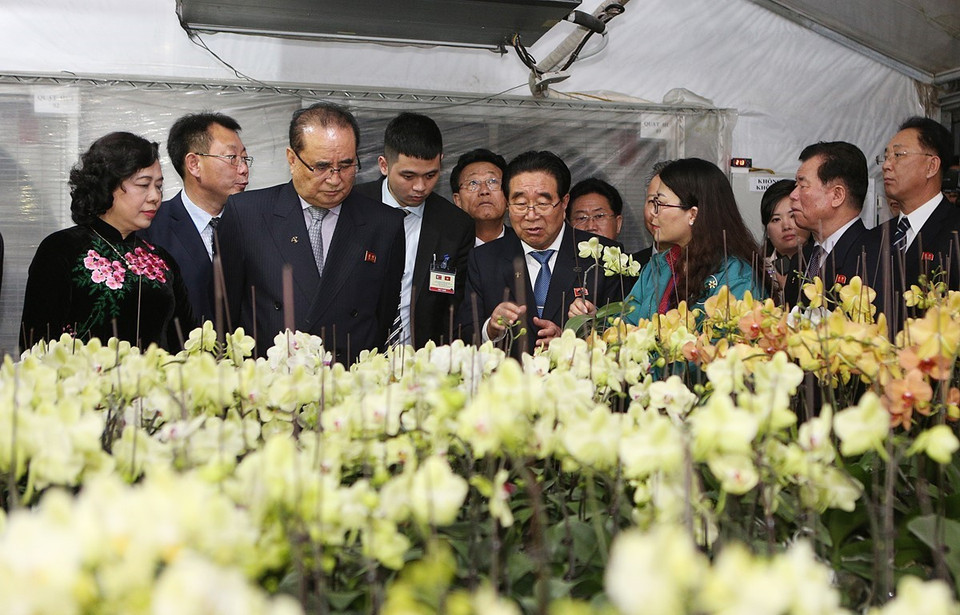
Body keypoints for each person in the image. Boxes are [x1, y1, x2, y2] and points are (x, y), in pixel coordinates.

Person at [218, 102, 405, 364]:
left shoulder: (384, 224)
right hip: (271, 378)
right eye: (321, 166)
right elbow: (225, 311)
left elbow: (382, 314)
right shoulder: (247, 214)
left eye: (347, 165)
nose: (335, 179)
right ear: (292, 159)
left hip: (347, 379)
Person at [20, 132, 194, 351]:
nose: (155, 197)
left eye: (158, 186)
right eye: (143, 185)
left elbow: (185, 342)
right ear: (108, 185)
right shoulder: (62, 249)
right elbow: (36, 345)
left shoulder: (161, 260)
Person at [458, 151, 624, 356]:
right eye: (520, 204)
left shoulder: (603, 256)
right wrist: (490, 329)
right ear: (508, 203)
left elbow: (622, 333)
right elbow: (465, 333)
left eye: (543, 203)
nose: (531, 215)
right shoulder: (484, 259)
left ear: (564, 202)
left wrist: (580, 336)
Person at [354, 112, 474, 348]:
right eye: (408, 176)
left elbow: (453, 309)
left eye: (430, 175)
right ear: (384, 165)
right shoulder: (352, 208)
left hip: (420, 357)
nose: (420, 187)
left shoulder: (455, 225)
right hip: (352, 352)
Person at [613, 158, 763, 324]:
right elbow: (625, 323)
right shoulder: (657, 266)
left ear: (693, 214)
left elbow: (726, 336)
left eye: (661, 204)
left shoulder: (734, 276)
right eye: (653, 202)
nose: (653, 212)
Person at [140, 112, 250, 323]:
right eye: (232, 158)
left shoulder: (256, 224)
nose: (244, 169)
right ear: (194, 164)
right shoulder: (151, 229)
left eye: (244, 158)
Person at [784, 142, 881, 307]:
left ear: (837, 195)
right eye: (795, 186)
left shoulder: (873, 258)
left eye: (803, 186)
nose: (793, 195)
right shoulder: (801, 259)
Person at [877, 117, 960, 312]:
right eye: (886, 157)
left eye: (898, 155)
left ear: (931, 166)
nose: (886, 165)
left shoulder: (955, 233)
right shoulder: (876, 237)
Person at [759, 179, 810, 302]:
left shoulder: (821, 261)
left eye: (793, 216)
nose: (786, 226)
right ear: (767, 230)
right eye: (776, 219)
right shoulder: (758, 269)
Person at [449, 148, 513, 245]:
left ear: (508, 196)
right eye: (473, 183)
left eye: (493, 181)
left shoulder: (525, 244)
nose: (484, 191)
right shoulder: (445, 248)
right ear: (458, 200)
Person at [634, 160, 675, 266]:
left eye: (663, 203)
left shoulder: (711, 268)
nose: (655, 212)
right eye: (652, 201)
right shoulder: (630, 266)